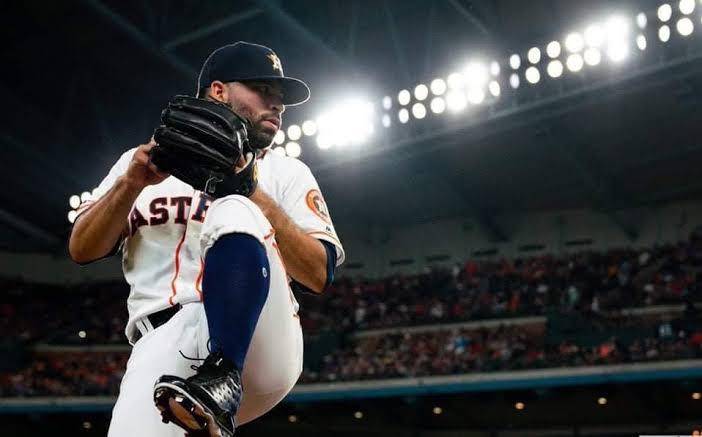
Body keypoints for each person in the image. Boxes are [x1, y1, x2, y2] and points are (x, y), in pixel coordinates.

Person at [69, 41, 344, 436]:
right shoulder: (139, 164)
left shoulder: (286, 171)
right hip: (159, 344)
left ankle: (224, 374)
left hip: (257, 340)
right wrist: (131, 184)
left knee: (233, 207)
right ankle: (211, 398)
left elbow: (319, 273)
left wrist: (249, 189)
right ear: (219, 90)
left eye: (280, 97)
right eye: (263, 91)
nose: (278, 105)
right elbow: (81, 248)